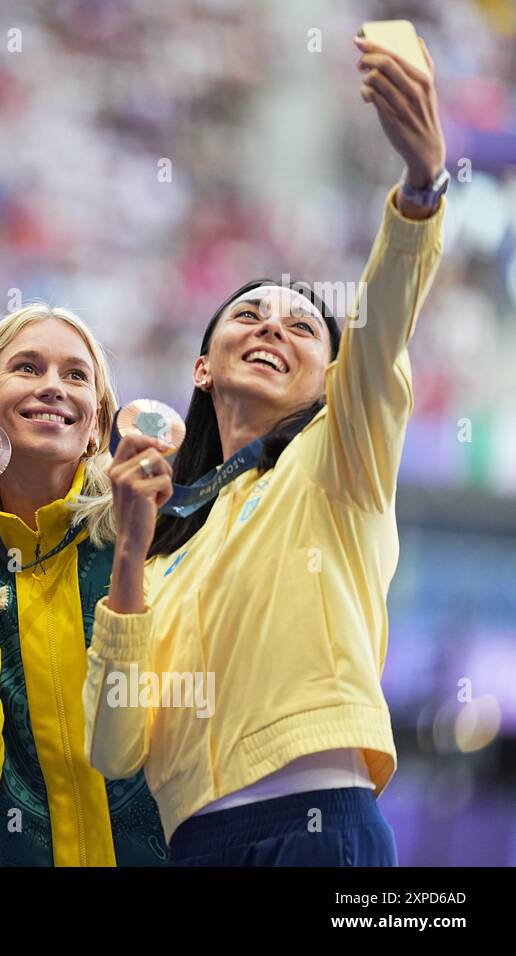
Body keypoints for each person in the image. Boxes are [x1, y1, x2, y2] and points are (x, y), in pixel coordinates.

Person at [85, 36, 448, 865]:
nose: (274, 327)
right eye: (250, 316)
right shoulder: (170, 538)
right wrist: (133, 558)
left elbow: (384, 325)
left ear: (331, 377)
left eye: (303, 326)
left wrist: (421, 192)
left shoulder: (336, 460)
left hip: (319, 829)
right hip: (197, 847)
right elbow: (113, 749)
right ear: (203, 366)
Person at [0, 304, 169, 866]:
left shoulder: (149, 547)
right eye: (27, 368)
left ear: (97, 423)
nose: (52, 388)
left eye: (75, 376)